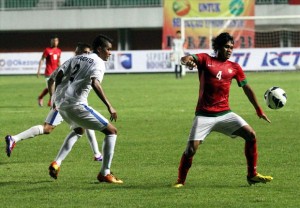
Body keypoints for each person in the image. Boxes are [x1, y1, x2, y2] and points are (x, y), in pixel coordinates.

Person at [173, 32, 273, 188]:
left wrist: (258, 109)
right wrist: (188, 62)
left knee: (251, 135)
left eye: (232, 47)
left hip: (225, 114)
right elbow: (185, 58)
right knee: (191, 150)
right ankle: (180, 181)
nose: (230, 50)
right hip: (204, 115)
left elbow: (246, 88)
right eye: (227, 46)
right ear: (218, 47)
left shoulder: (234, 67)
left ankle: (252, 175)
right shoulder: (205, 59)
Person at [5, 42, 103, 162]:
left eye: (89, 52)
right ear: (77, 53)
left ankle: (97, 154)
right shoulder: (75, 63)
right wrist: (54, 98)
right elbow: (53, 78)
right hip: (66, 102)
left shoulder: (74, 63)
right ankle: (14, 138)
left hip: (70, 101)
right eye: (85, 52)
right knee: (47, 128)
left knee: (85, 124)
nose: (87, 55)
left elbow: (52, 79)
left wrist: (53, 97)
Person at [48, 34, 123, 184]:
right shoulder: (99, 63)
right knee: (112, 131)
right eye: (108, 49)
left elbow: (58, 75)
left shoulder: (76, 58)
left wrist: (56, 96)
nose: (110, 53)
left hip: (62, 104)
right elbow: (95, 83)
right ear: (100, 49)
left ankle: (57, 162)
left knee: (79, 130)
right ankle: (105, 173)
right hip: (76, 104)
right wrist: (109, 106)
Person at [37, 35, 61, 107]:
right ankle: (45, 99)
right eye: (54, 41)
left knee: (54, 87)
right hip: (48, 72)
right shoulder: (47, 50)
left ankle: (47, 100)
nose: (55, 42)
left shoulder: (59, 51)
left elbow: (58, 61)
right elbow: (42, 60)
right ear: (51, 41)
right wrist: (39, 70)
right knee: (50, 87)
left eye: (56, 41)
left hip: (56, 72)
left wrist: (62, 69)